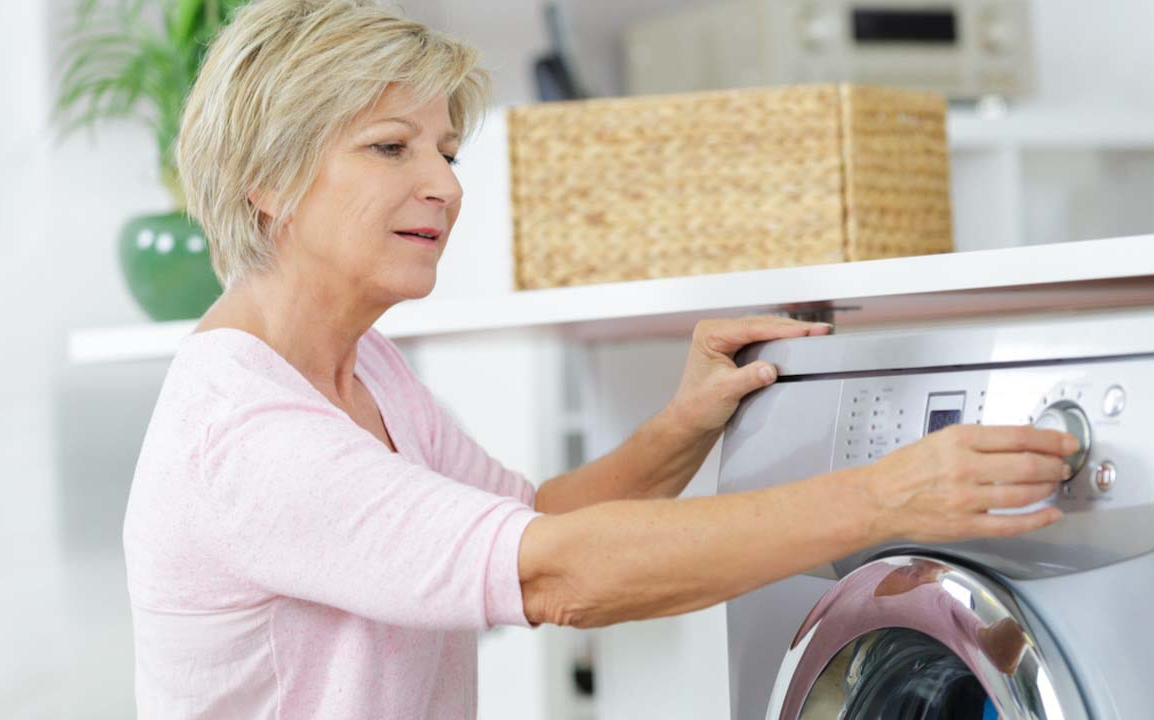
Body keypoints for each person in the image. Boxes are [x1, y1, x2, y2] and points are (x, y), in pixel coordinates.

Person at [123, 0, 1075, 716]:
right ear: (267, 181)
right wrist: (883, 497)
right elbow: (554, 575)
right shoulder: (243, 435)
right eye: (390, 147)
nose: (443, 186)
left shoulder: (366, 369)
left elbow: (531, 521)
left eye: (447, 152)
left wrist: (684, 423)